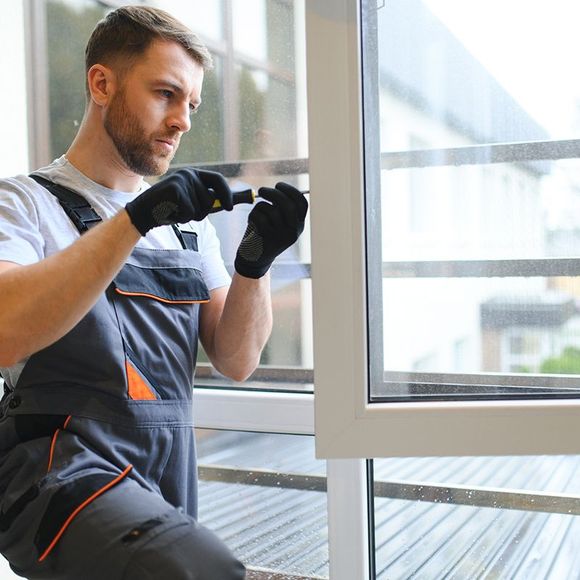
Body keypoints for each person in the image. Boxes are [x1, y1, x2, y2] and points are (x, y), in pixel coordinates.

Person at [0, 5, 307, 580]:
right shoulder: (23, 204)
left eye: (191, 104)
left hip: (165, 472)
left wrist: (255, 264)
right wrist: (135, 219)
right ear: (102, 83)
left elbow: (236, 358)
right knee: (197, 568)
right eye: (166, 93)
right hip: (57, 469)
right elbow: (4, 330)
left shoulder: (187, 227)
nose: (183, 120)